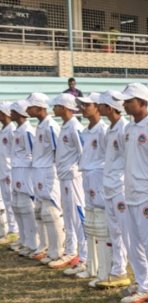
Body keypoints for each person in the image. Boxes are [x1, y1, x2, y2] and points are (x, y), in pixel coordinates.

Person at [112, 83, 148, 303]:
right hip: (130, 192)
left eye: (128, 100)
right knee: (134, 244)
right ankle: (145, 285)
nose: (124, 104)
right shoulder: (129, 128)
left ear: (141, 102)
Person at [94, 90, 132, 289]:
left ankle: (127, 272)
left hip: (120, 186)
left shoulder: (124, 128)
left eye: (101, 104)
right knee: (115, 231)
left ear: (109, 108)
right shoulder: (111, 129)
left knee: (125, 232)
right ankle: (118, 270)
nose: (97, 107)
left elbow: (129, 159)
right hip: (110, 185)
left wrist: (122, 181)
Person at [48, 94, 86, 273]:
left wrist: (76, 171)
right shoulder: (65, 126)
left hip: (73, 177)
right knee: (69, 215)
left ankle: (84, 256)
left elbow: (83, 152)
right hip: (64, 176)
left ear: (64, 107)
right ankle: (71, 251)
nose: (53, 109)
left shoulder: (75, 127)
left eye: (56, 106)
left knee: (78, 215)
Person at [25, 92, 64, 265]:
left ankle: (58, 251)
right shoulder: (40, 126)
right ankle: (46, 247)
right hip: (39, 171)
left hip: (49, 171)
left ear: (40, 107)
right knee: (40, 212)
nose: (27, 109)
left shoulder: (51, 126)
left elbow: (58, 151)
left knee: (51, 212)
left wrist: (54, 171)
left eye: (30, 106)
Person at [76, 92, 109, 287]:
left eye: (87, 105)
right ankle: (92, 266)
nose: (83, 108)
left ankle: (105, 269)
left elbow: (108, 157)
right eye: (82, 104)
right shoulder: (85, 131)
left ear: (97, 107)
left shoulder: (103, 130)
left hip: (99, 177)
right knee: (90, 222)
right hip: (87, 175)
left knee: (101, 223)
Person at [8, 101, 38, 257]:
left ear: (19, 113)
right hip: (16, 170)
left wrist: (29, 173)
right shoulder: (18, 130)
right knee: (17, 206)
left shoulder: (27, 131)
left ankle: (33, 243)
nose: (10, 114)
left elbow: (33, 153)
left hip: (26, 171)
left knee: (27, 207)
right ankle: (24, 240)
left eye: (12, 112)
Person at [0, 102, 19, 246]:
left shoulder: (12, 130)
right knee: (6, 200)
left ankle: (14, 229)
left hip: (10, 170)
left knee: (12, 199)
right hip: (3, 169)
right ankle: (9, 228)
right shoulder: (3, 130)